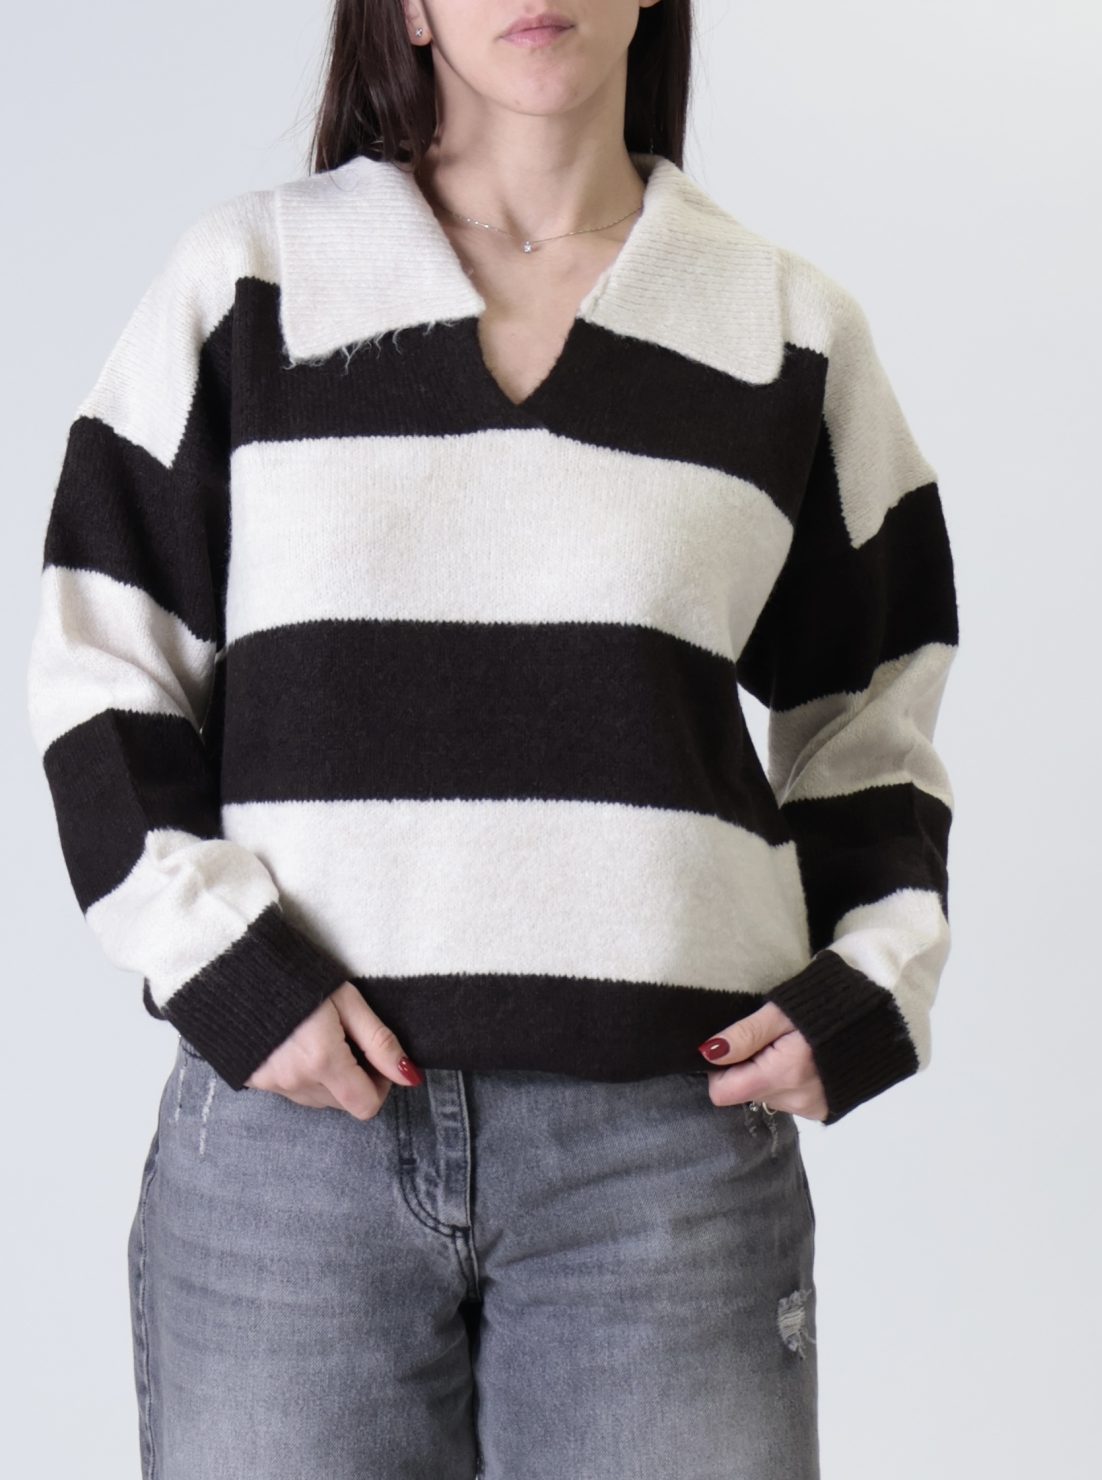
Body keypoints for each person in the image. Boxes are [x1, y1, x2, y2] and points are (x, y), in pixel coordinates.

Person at [25, 2, 960, 1476]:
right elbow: (102, 660)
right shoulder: (251, 281)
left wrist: (873, 973)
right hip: (290, 1162)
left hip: (659, 1171)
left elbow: (875, 701)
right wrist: (225, 967)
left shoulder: (784, 329)